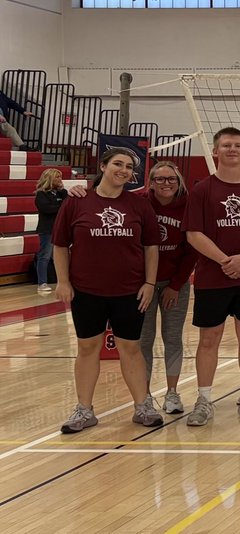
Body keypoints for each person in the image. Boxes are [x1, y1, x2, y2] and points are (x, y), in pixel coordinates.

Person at [53, 147, 162, 433]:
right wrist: (63, 282)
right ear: (103, 165)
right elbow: (60, 245)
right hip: (86, 291)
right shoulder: (77, 202)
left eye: (129, 167)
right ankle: (84, 409)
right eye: (117, 163)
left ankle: (143, 406)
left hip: (130, 291)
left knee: (131, 348)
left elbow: (151, 246)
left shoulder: (139, 205)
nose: (123, 170)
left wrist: (149, 283)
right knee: (87, 348)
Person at [183, 127, 240, 425]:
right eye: (226, 145)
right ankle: (204, 399)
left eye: (237, 145)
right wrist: (226, 261)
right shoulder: (202, 190)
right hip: (213, 277)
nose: (232, 149)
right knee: (209, 339)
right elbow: (193, 234)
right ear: (215, 151)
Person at [139, 161, 198, 415]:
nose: (166, 184)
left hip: (176, 284)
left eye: (171, 179)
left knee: (172, 338)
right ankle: (144, 395)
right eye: (160, 179)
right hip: (143, 286)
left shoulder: (188, 206)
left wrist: (175, 285)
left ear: (179, 182)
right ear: (151, 182)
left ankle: (172, 393)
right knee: (143, 340)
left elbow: (191, 250)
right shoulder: (139, 203)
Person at [34, 169, 66, 293]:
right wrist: (61, 206)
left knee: (60, 256)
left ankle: (63, 280)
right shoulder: (41, 194)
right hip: (47, 229)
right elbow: (47, 208)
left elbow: (68, 202)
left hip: (59, 229)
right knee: (45, 256)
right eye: (57, 177)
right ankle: (42, 283)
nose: (60, 179)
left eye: (60, 177)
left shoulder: (59, 193)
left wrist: (62, 190)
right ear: (50, 178)